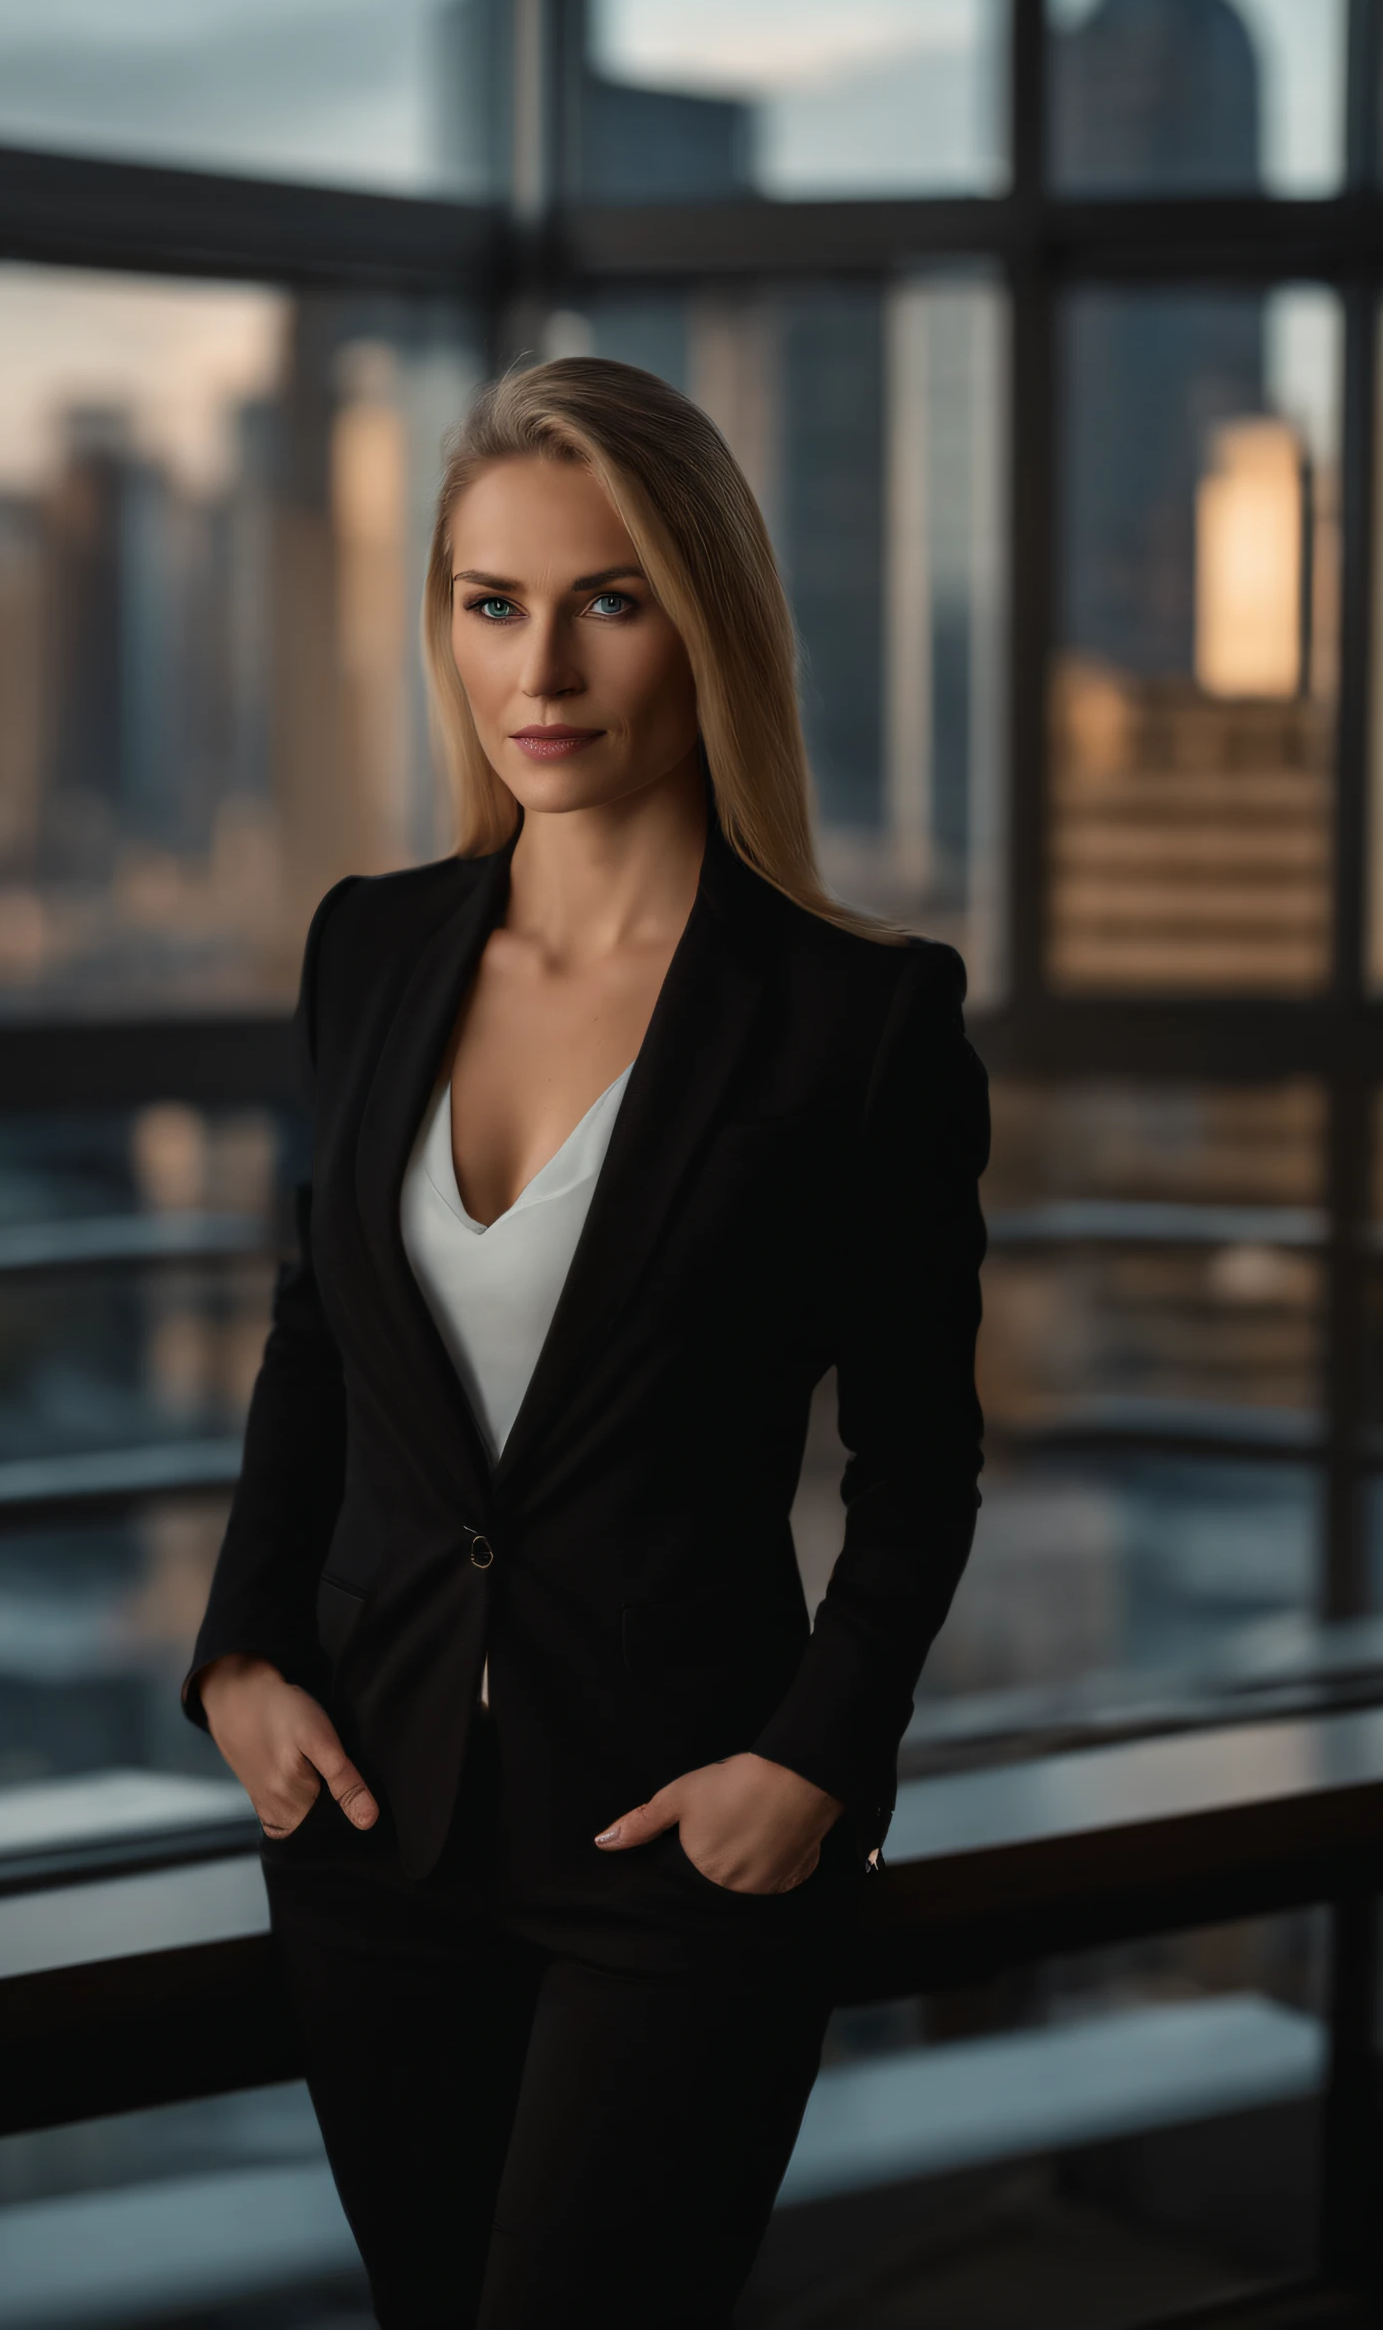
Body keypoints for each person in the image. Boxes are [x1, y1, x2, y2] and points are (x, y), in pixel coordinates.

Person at [180, 355, 989, 2329]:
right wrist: (238, 1655)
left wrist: (812, 1760)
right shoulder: (370, 945)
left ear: (701, 617)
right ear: (443, 617)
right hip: (366, 1830)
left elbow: (918, 1464)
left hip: (675, 1841)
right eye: (491, 602)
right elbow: (318, 1342)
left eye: (607, 598)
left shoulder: (852, 1021)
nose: (541, 666)